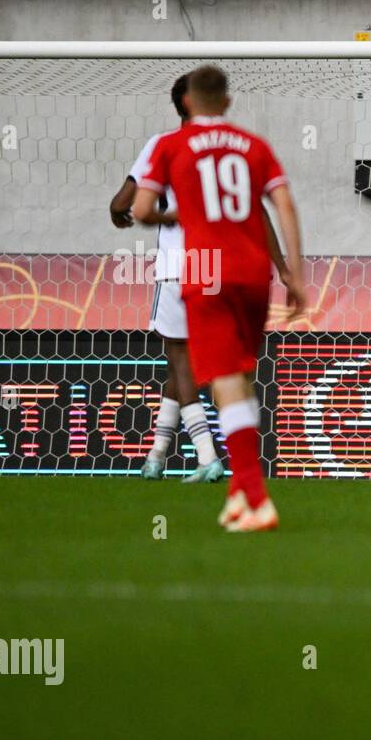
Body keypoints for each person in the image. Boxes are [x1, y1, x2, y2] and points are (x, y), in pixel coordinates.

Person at [133, 64, 307, 531]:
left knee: (224, 378)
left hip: (207, 272)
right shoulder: (254, 146)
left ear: (187, 103)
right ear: (227, 102)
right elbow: (284, 204)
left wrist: (173, 216)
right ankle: (236, 494)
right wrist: (294, 272)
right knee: (242, 375)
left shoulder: (171, 145)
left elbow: (141, 209)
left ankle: (255, 496)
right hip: (254, 273)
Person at [108, 74, 223, 483]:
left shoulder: (163, 145)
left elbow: (123, 202)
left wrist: (118, 211)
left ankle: (208, 456)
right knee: (184, 365)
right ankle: (156, 456)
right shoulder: (226, 150)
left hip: (179, 265)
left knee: (180, 359)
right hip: (216, 267)